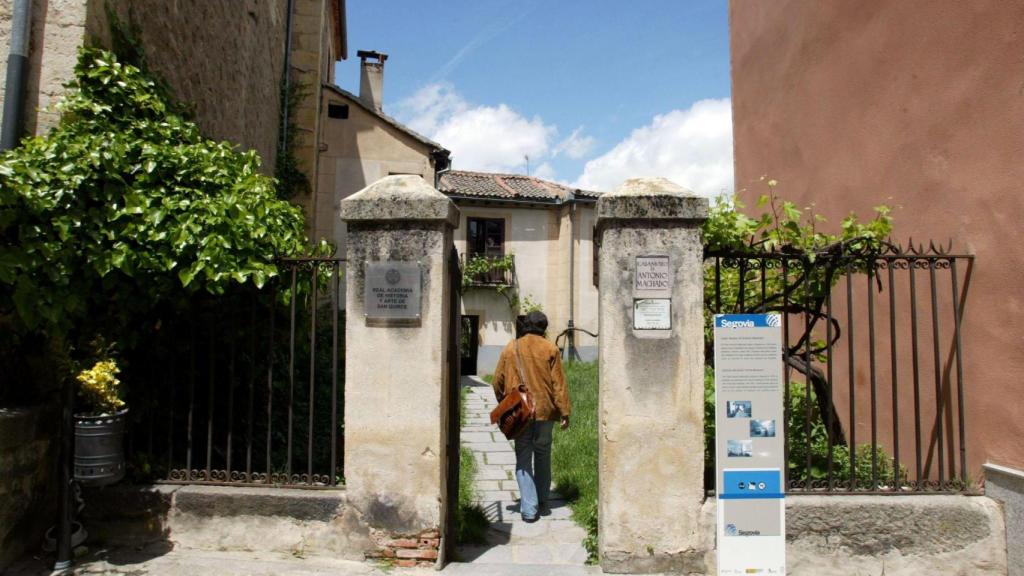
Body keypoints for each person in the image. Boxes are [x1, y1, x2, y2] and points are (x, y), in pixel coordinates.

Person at [492, 311, 571, 522]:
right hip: (545, 411)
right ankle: (543, 498)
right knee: (543, 454)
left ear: (526, 325)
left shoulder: (512, 347)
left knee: (523, 458)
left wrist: (506, 402)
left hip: (521, 412)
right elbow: (559, 384)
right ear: (544, 328)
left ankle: (529, 508)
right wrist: (564, 411)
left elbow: (496, 381)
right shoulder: (550, 348)